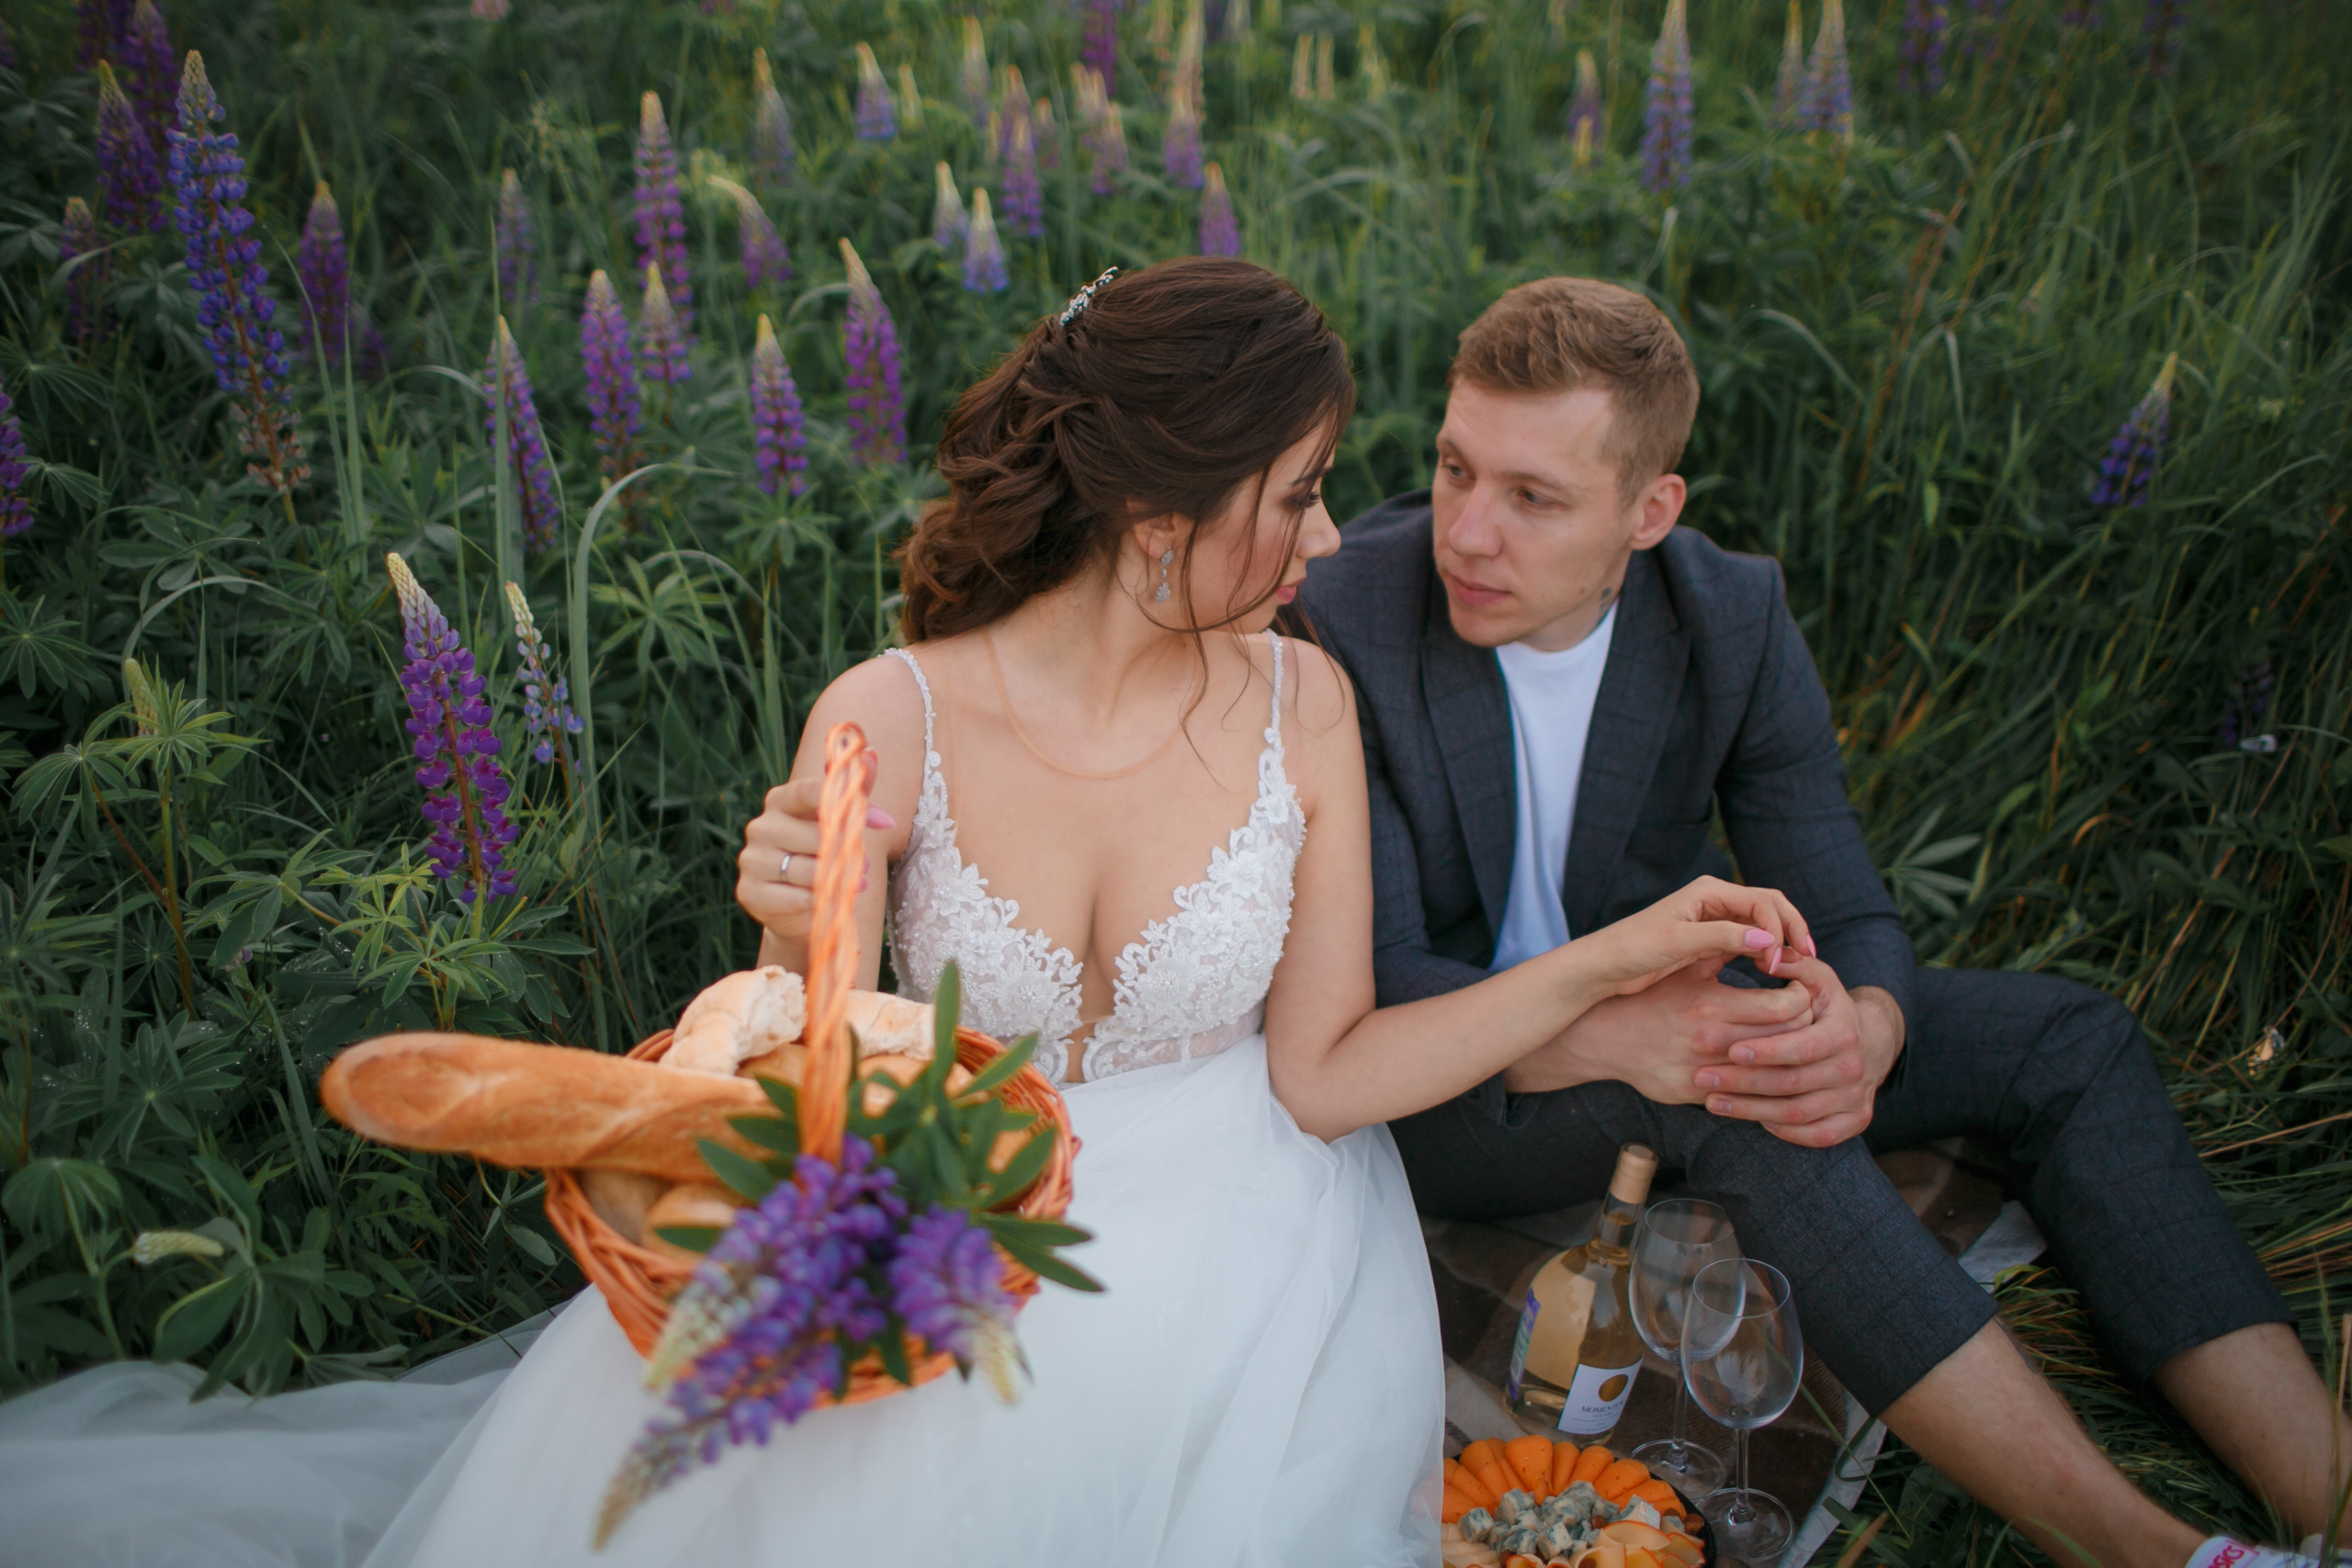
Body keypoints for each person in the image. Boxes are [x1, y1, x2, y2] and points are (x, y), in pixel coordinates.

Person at [0, 259, 1816, 1568]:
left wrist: (1612, 954)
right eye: (1291, 493)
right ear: (1157, 508)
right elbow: (815, 1081)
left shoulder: (1299, 697)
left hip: (1247, 1241)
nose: (1335, 540)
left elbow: (1329, 1075)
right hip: (944, 1208)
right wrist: (777, 934)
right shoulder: (890, 711)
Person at [1294, 276, 2351, 1568]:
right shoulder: (1345, 619)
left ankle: (2330, 1498)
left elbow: (1845, 898)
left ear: (1650, 512)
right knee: (1733, 1087)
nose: (1467, 532)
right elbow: (1385, 984)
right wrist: (1633, 1034)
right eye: (1457, 470)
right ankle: (2164, 1555)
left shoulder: (1727, 617)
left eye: (1532, 498)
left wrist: (1864, 1023)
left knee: (2061, 1036)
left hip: (1663, 1034)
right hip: (1450, 1092)